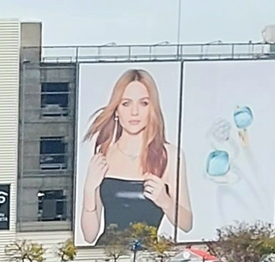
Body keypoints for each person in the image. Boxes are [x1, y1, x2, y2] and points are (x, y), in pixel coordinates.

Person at [78, 69, 193, 245]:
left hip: (147, 260)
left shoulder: (170, 155)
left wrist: (165, 201)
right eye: (126, 103)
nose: (134, 112)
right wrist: (88, 190)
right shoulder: (104, 152)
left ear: (152, 108)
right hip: (106, 256)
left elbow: (186, 224)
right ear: (116, 110)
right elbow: (89, 235)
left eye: (143, 103)